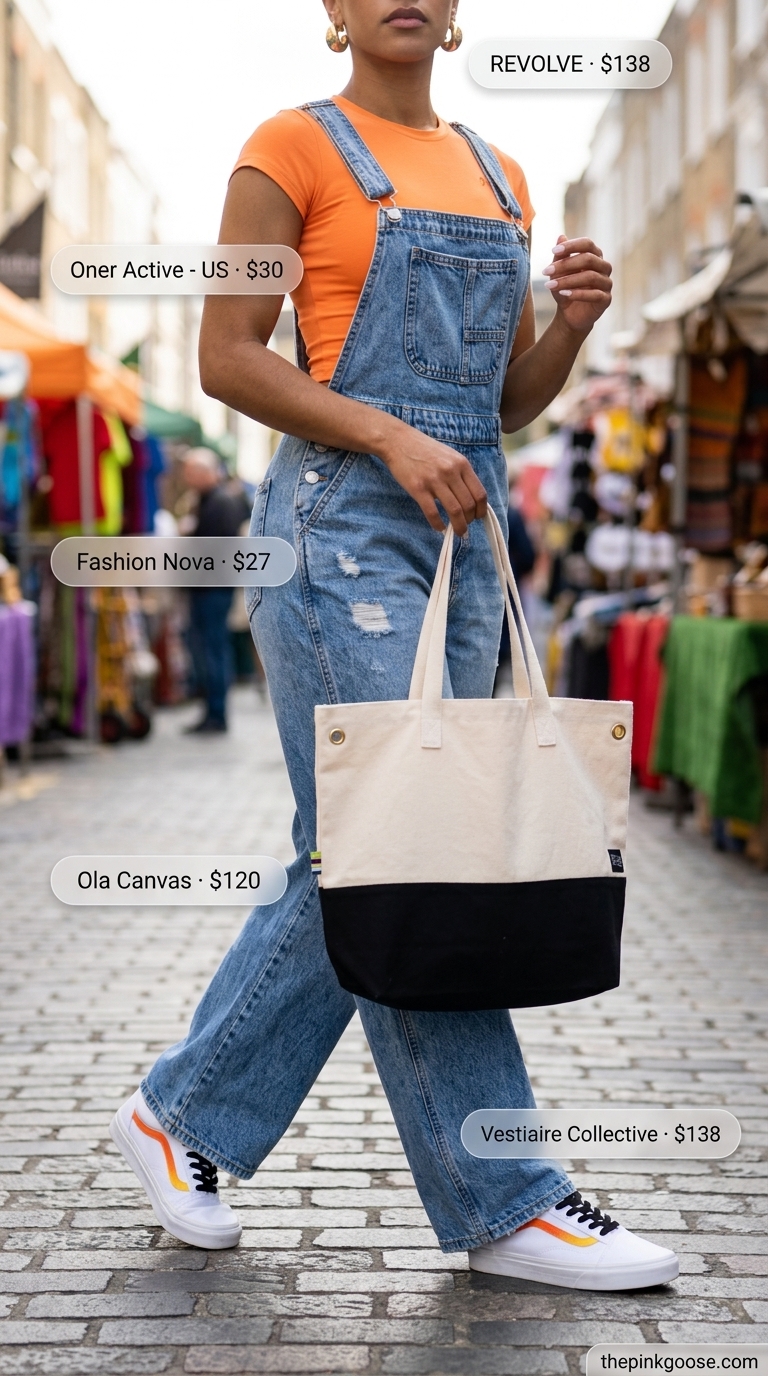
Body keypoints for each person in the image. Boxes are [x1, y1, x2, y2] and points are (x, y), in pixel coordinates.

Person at [110, 0, 679, 1290]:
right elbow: (225, 358)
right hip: (339, 534)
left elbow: (502, 406)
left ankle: (180, 1111)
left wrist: (571, 325)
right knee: (404, 845)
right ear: (334, 10)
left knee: (386, 850)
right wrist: (385, 434)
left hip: (465, 540)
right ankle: (507, 1192)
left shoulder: (501, 172)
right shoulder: (289, 149)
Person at [181, 448, 250, 734]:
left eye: (190, 472)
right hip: (208, 588)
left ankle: (217, 713)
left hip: (213, 589)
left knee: (213, 650)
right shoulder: (209, 500)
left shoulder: (220, 502)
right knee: (209, 650)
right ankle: (212, 711)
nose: (187, 478)